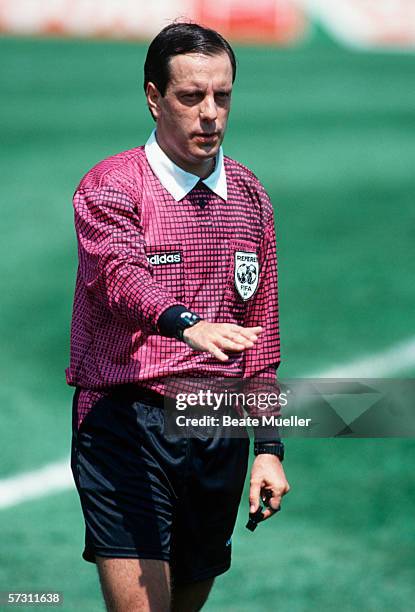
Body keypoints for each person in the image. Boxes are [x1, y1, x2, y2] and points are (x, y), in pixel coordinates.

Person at [67, 21, 290, 612]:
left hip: (216, 431)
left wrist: (268, 446)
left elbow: (259, 344)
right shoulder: (113, 185)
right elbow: (120, 278)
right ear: (153, 97)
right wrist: (185, 323)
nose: (211, 113)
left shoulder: (251, 197)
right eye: (192, 97)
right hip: (126, 424)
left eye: (223, 95)